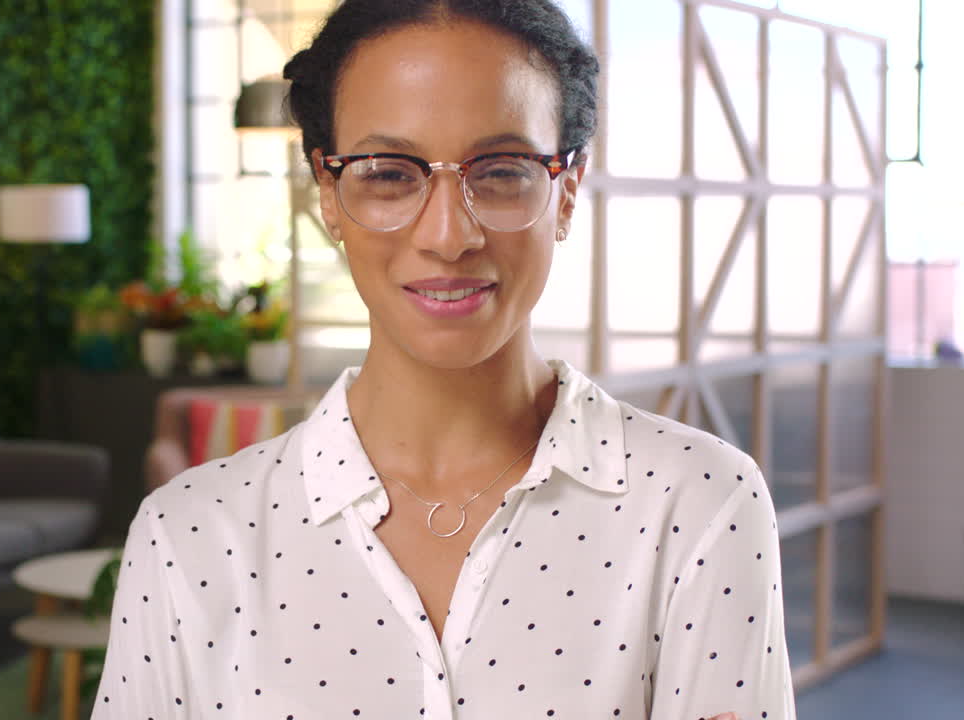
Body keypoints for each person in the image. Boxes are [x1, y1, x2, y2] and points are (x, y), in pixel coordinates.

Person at [92, 1, 796, 718]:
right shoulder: (189, 535)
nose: (448, 234)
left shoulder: (701, 504)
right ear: (327, 192)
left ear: (568, 189)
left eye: (500, 170)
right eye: (389, 173)